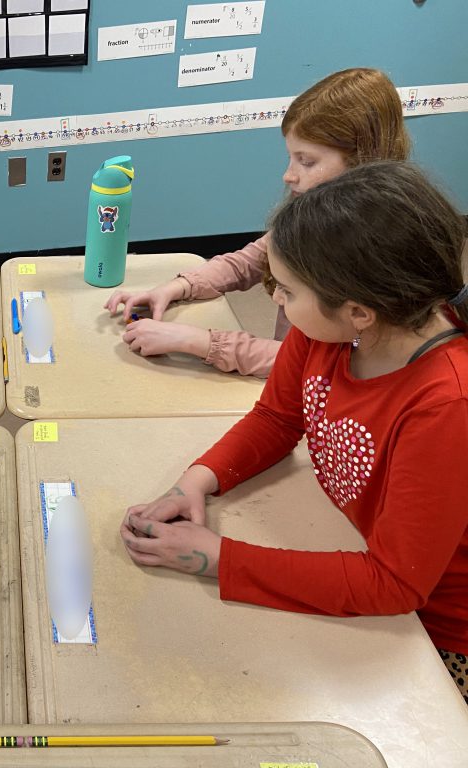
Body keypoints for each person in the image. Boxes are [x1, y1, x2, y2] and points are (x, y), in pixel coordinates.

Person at [120, 161, 468, 705]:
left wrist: (220, 558)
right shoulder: (331, 331)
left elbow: (394, 585)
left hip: (432, 627)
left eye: (285, 291)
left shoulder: (447, 406)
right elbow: (278, 419)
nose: (275, 303)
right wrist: (195, 482)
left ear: (359, 312)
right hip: (345, 543)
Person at [106, 68, 411, 377]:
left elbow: (312, 364)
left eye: (307, 162)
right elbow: (248, 261)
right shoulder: (310, 216)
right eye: (291, 157)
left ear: (362, 162)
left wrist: (198, 341)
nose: (288, 175)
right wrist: (179, 286)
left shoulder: (372, 253)